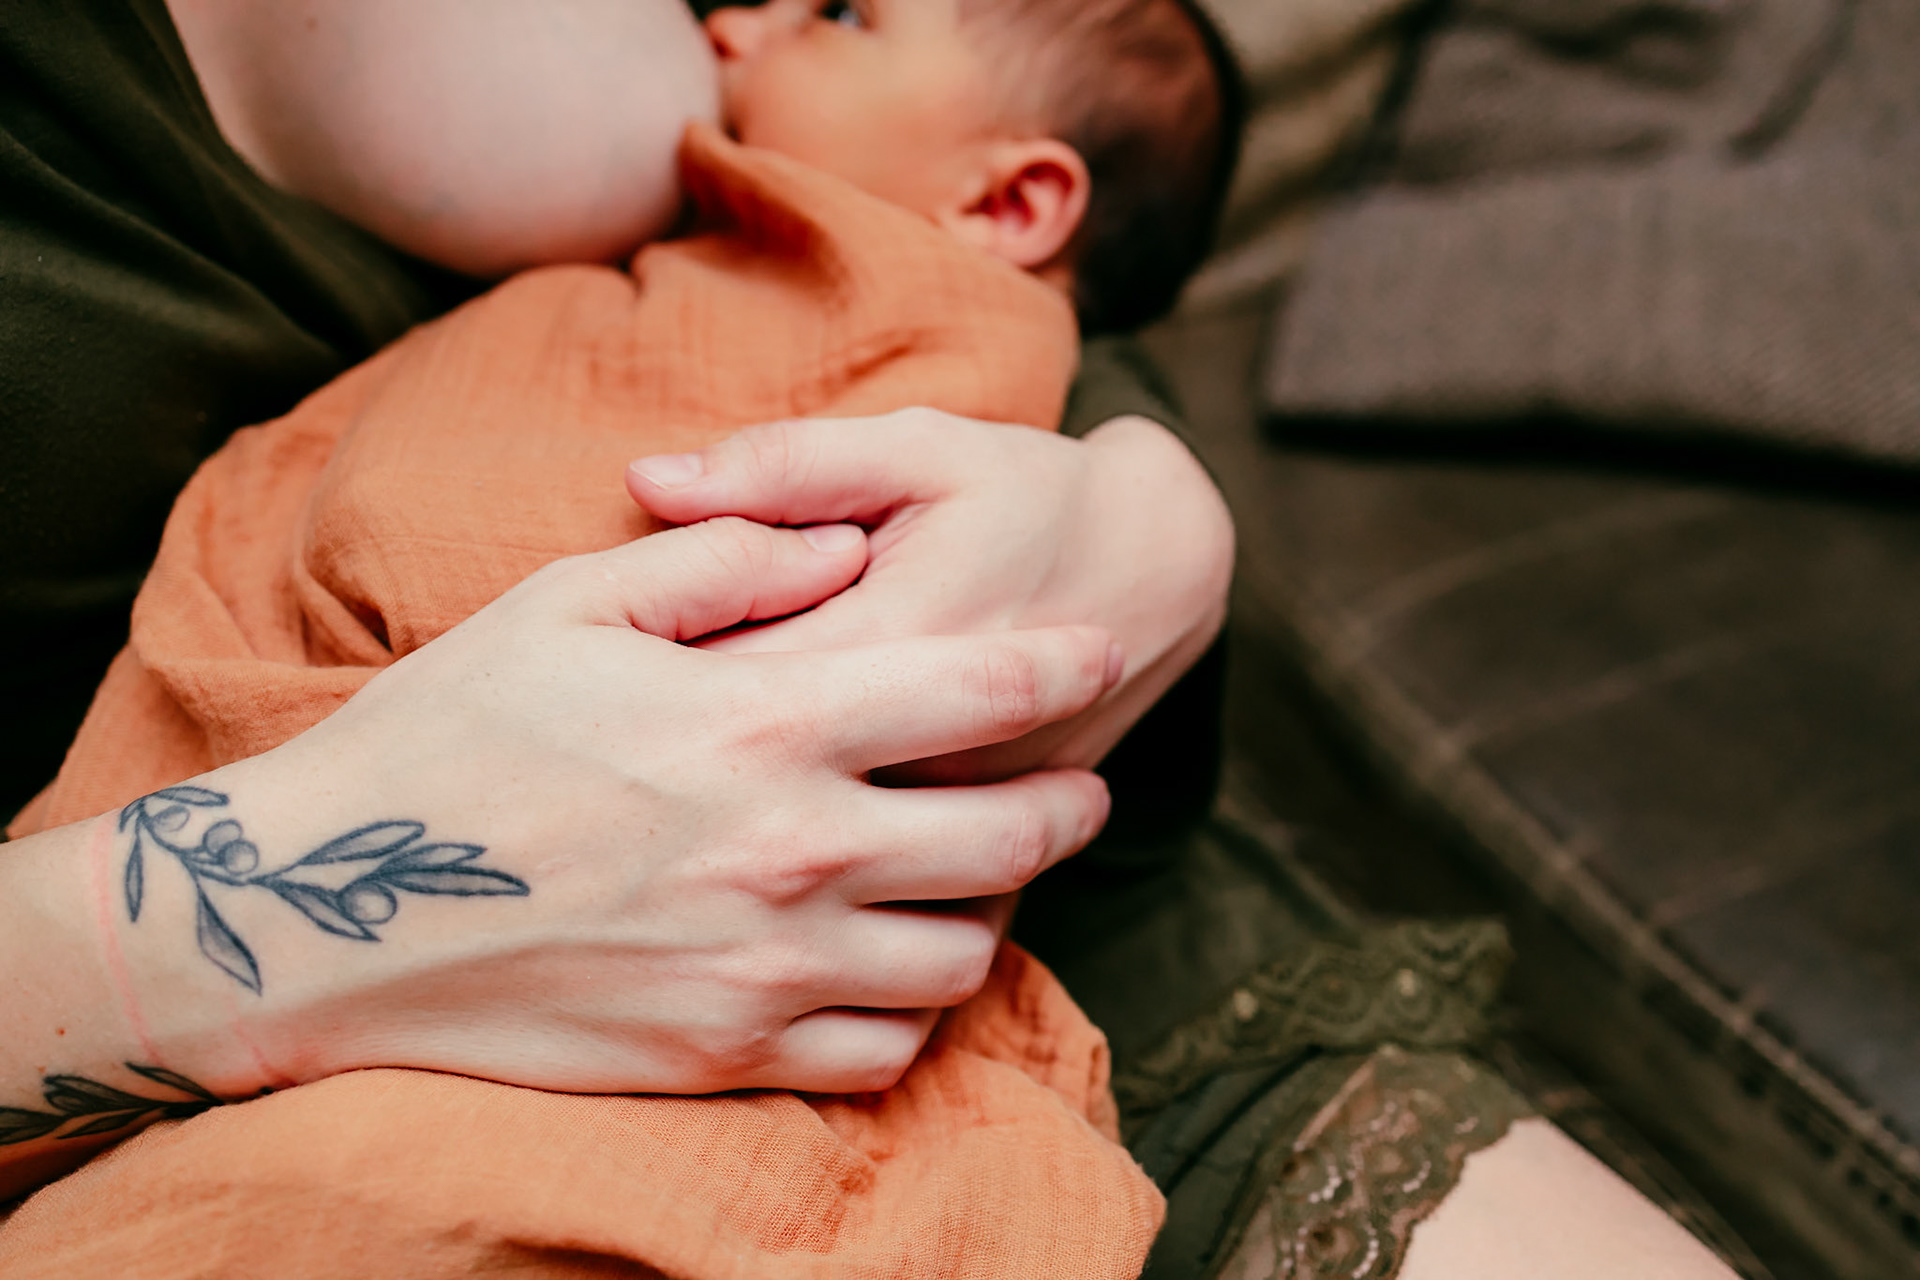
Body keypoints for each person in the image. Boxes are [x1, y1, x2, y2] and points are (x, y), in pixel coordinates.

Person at [0, 0, 1235, 1202]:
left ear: (1014, 202)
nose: (732, 27)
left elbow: (1012, 278)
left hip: (900, 921)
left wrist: (1154, 499)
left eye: (838, 14)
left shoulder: (881, 236)